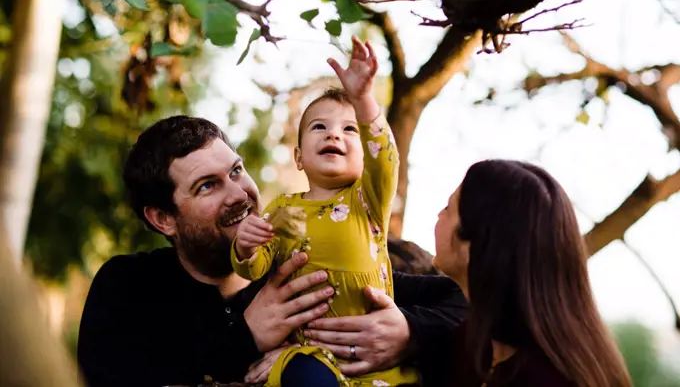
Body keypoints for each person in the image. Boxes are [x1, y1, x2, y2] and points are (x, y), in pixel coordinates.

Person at [76, 112, 468, 387]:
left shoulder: (307, 265)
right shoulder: (129, 286)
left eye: (236, 171)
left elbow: (464, 302)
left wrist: (409, 333)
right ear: (163, 218)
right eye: (207, 186)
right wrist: (245, 338)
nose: (239, 194)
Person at [231, 37, 416, 387]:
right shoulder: (286, 209)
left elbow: (386, 158)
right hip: (314, 358)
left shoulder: (368, 200)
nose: (334, 134)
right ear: (299, 157)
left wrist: (363, 100)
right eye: (319, 127)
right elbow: (255, 267)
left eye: (349, 130)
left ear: (364, 158)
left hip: (376, 364)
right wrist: (245, 247)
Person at [429, 159, 631, 386]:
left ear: (476, 244)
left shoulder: (547, 379)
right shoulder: (476, 344)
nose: (439, 214)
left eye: (449, 208)